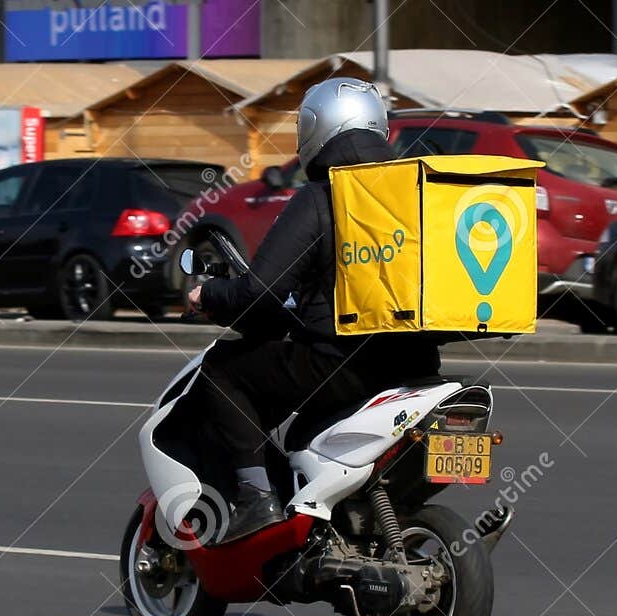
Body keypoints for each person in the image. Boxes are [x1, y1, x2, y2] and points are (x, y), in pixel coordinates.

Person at [187, 77, 441, 544]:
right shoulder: (415, 195)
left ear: (315, 129)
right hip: (417, 363)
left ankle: (254, 498)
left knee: (221, 370)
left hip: (340, 362)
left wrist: (210, 296)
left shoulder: (323, 197)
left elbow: (261, 292)